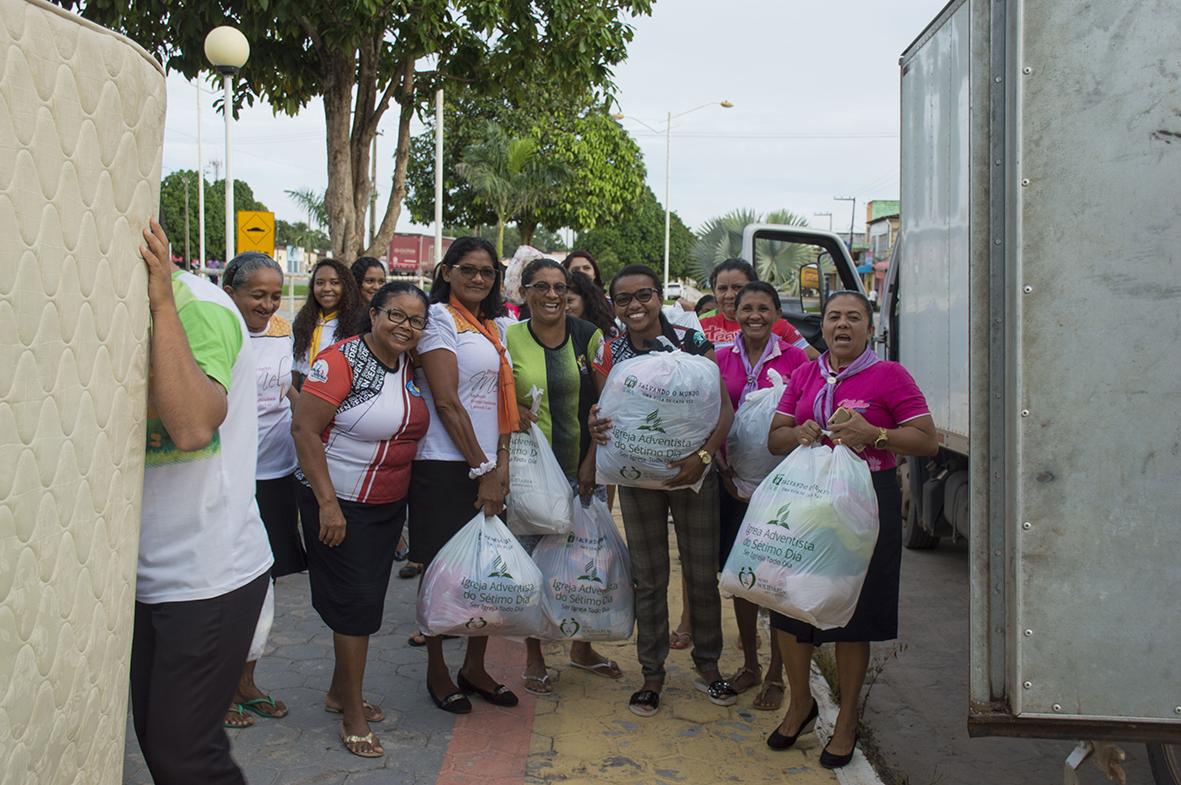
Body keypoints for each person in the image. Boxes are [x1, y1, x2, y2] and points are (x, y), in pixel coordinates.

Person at [765, 290, 937, 768]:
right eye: (835, 317)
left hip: (865, 502)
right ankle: (801, 703)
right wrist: (796, 433)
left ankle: (846, 722)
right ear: (824, 325)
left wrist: (874, 434)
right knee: (789, 603)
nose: (843, 325)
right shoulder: (806, 373)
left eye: (854, 318)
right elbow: (774, 437)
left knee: (850, 613)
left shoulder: (889, 376)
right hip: (805, 499)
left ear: (869, 327)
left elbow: (926, 440)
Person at [132, 219, 272, 785]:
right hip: (140, 574)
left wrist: (163, 304)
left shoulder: (201, 308)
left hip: (208, 576)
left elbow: (191, 426)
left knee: (186, 757)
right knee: (160, 743)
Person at [589, 264, 736, 718]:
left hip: (693, 476)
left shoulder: (693, 343)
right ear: (613, 305)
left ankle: (708, 666)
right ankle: (651, 672)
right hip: (637, 479)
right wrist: (595, 426)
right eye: (624, 299)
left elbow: (724, 410)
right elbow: (606, 412)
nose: (635, 306)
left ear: (659, 298)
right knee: (649, 577)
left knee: (700, 574)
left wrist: (703, 459)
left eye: (644, 295)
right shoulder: (611, 351)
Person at [291, 281, 431, 758]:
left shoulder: (410, 365)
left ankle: (338, 693)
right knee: (355, 610)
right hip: (339, 503)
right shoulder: (341, 360)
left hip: (385, 508)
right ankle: (351, 713)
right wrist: (328, 504)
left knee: (363, 603)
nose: (405, 327)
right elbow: (304, 430)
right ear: (373, 314)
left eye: (415, 321)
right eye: (395, 315)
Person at [408, 236, 520, 714]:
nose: (478, 278)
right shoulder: (437, 319)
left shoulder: (494, 326)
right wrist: (482, 469)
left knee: (484, 573)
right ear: (447, 272)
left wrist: (501, 461)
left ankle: (474, 667)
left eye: (487, 272)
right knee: (441, 570)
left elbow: (499, 403)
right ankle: (436, 668)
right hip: (443, 463)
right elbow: (448, 401)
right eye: (468, 269)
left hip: (487, 463)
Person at [505, 258, 622, 695]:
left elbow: (606, 402)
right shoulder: (509, 337)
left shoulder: (588, 336)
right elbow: (498, 398)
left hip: (585, 467)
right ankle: (534, 655)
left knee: (586, 558)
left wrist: (592, 460)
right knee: (534, 562)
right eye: (541, 287)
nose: (552, 295)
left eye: (559, 287)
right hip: (531, 472)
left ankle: (582, 646)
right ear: (525, 291)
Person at [713, 282, 810, 712]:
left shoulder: (796, 359)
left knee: (776, 581)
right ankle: (750, 664)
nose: (754, 315)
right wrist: (723, 469)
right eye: (747, 307)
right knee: (741, 578)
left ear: (776, 313)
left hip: (782, 488)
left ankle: (775, 674)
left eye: (763, 308)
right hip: (731, 484)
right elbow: (708, 413)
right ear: (735, 311)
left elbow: (806, 414)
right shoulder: (720, 358)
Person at [220, 252, 306, 729]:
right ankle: (218, 689)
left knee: (263, 582)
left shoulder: (281, 332)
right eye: (258, 295)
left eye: (275, 295)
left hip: (275, 474)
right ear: (231, 291)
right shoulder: (215, 330)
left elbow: (284, 392)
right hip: (228, 474)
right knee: (226, 583)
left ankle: (246, 680)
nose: (270, 304)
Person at [699, 258, 818, 359]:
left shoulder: (778, 325)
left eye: (737, 287)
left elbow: (816, 362)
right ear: (714, 292)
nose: (729, 295)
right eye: (722, 288)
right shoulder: (700, 328)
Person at [292, 259, 364, 388]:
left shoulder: (356, 324)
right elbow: (296, 365)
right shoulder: (304, 321)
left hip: (336, 389)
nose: (326, 288)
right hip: (303, 387)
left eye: (334, 283)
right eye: (319, 283)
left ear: (346, 287)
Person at [565, 269, 617, 338]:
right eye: (559, 302)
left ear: (585, 298)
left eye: (569, 301)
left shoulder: (607, 331)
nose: (565, 307)